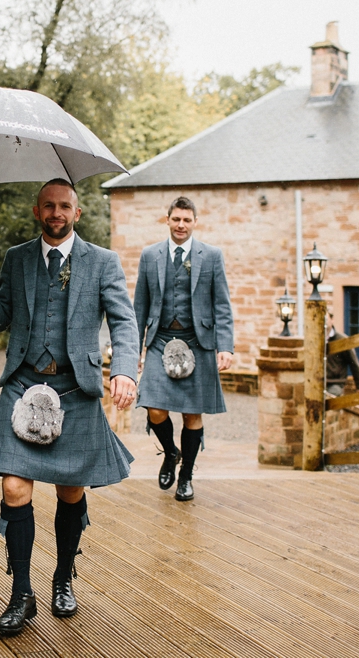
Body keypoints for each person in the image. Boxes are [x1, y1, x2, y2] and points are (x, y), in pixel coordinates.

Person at [0, 178, 138, 637]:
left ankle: (63, 575)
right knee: (15, 487)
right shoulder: (17, 258)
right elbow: (0, 319)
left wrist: (124, 370)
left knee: (69, 491)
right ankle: (21, 592)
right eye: (48, 206)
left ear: (76, 213)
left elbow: (123, 321)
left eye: (64, 206)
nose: (56, 213)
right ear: (37, 211)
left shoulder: (103, 263)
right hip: (22, 384)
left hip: (75, 389)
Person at [133, 196, 234, 503]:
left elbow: (222, 305)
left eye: (186, 220)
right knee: (153, 406)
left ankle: (186, 476)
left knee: (192, 415)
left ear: (195, 222)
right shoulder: (150, 255)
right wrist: (132, 351)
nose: (181, 225)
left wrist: (225, 347)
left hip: (198, 341)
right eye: (176, 219)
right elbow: (139, 306)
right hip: (160, 339)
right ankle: (170, 452)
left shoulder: (212, 255)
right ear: (167, 220)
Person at [326, 312, 359, 398]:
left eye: (325, 318)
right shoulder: (315, 339)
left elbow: (354, 363)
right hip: (317, 382)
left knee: (327, 398)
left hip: (335, 383)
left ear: (332, 320)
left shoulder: (342, 340)